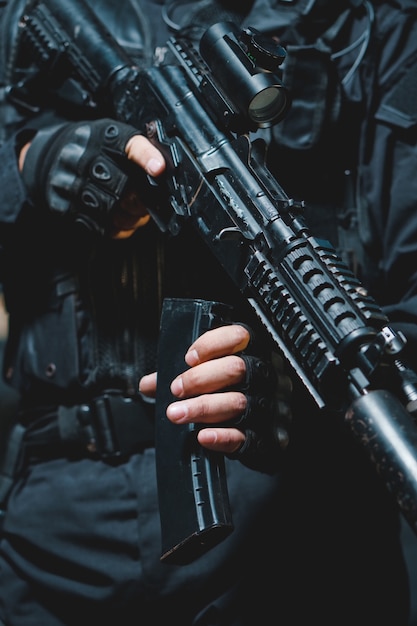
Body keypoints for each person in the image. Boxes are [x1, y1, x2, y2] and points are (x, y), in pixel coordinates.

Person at [0, 2, 415, 626]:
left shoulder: (365, 23)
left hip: (295, 521)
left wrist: (292, 386)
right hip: (56, 519)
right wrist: (32, 161)